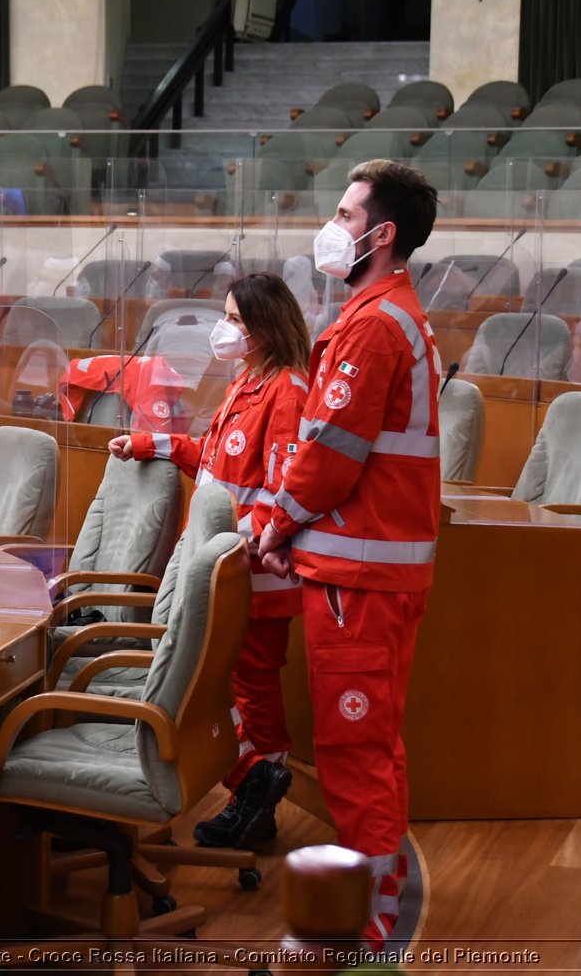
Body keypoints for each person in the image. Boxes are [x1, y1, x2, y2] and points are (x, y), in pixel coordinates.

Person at [255, 159, 441, 948]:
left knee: (355, 750)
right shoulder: (392, 312)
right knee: (372, 745)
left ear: (381, 232)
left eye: (343, 212)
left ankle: (366, 926)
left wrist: (274, 525)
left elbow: (329, 451)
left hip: (359, 579)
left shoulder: (372, 323)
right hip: (368, 574)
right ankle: (382, 892)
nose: (330, 226)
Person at [107, 272, 313, 849]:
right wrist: (150, 443)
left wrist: (228, 549)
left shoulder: (289, 390)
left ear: (266, 326)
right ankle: (254, 790)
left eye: (235, 320)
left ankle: (257, 796)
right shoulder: (249, 381)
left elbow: (282, 494)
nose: (224, 330)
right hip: (222, 569)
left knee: (249, 690)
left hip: (251, 573)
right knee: (220, 685)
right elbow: (216, 463)